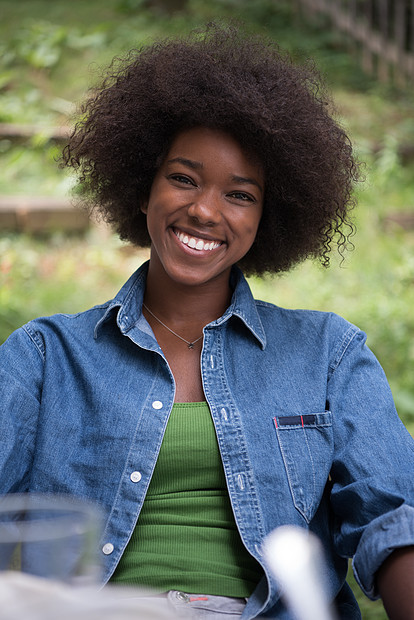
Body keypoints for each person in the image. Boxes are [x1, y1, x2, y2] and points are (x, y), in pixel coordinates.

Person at [1, 21, 413, 619]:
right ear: (143, 189)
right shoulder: (45, 356)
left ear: (268, 216)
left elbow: (393, 522)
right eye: (183, 179)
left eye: (240, 194)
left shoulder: (328, 353)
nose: (203, 209)